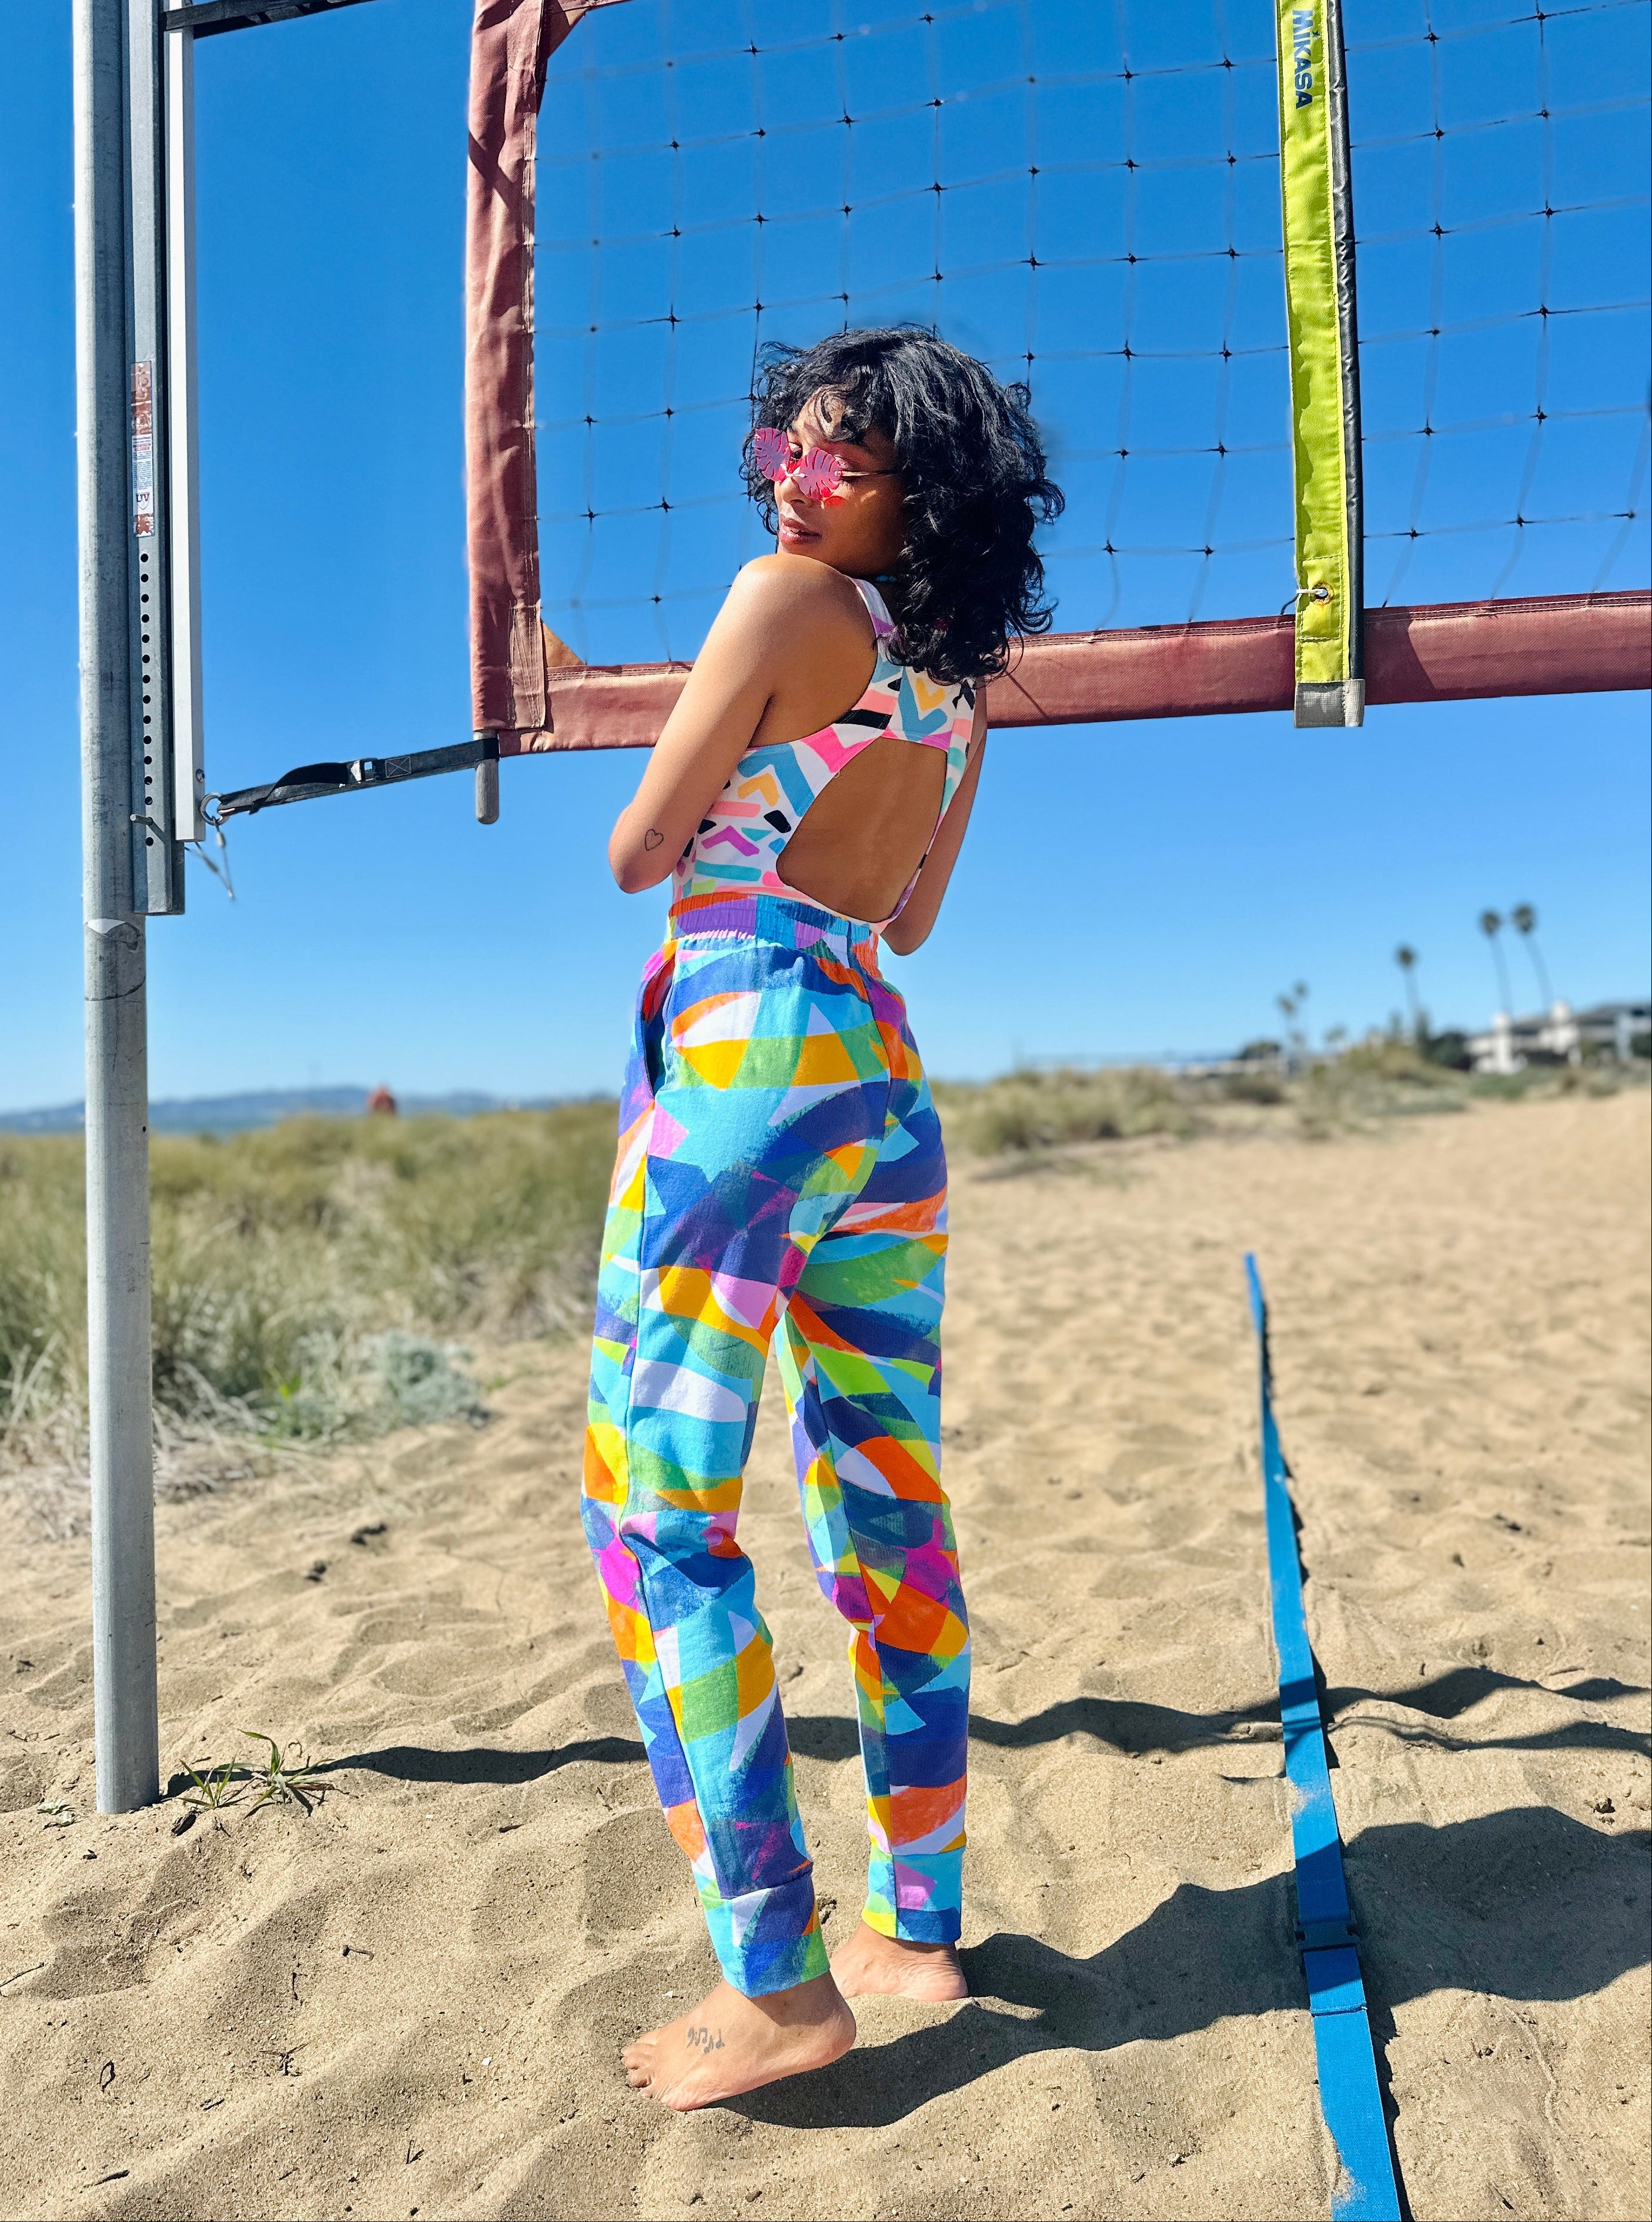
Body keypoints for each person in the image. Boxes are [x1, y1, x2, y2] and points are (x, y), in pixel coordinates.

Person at [580, 326, 1062, 2110]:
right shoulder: (959, 686)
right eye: (791, 435)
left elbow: (641, 849)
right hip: (880, 1072)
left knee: (655, 1515)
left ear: (917, 496)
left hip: (746, 1054)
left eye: (839, 456)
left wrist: (718, 731)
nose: (795, 473)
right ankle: (912, 1925)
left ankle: (773, 1978)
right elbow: (908, 915)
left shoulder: (782, 600)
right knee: (886, 1500)